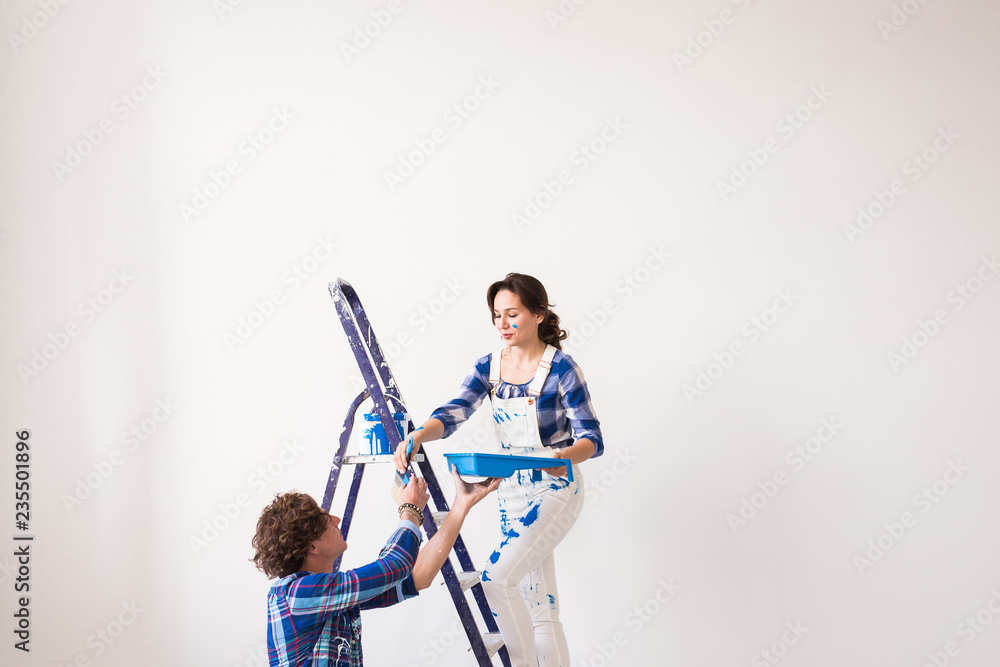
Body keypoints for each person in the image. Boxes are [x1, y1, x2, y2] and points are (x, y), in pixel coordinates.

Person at [394, 272, 604, 667]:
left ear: (538, 314)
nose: (502, 324)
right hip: (511, 492)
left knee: (495, 578)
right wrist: (419, 434)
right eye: (496, 315)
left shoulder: (562, 368)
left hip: (556, 488)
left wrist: (562, 456)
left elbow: (593, 438)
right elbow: (454, 413)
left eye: (512, 314)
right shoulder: (488, 367)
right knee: (540, 607)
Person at [252, 469, 500, 667]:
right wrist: (410, 511)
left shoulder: (330, 596)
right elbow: (394, 566)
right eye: (325, 519)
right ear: (312, 546)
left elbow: (415, 577)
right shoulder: (296, 595)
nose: (336, 520)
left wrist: (461, 505)